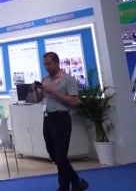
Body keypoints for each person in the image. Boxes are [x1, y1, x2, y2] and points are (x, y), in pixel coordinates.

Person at [35, 52, 88, 191]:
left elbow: (73, 101)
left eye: (49, 64)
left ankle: (65, 186)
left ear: (57, 63)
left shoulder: (68, 79)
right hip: (48, 118)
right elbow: (40, 99)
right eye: (45, 64)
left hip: (61, 118)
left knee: (60, 155)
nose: (47, 67)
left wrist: (53, 91)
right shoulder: (45, 79)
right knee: (53, 154)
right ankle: (76, 182)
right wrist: (37, 92)